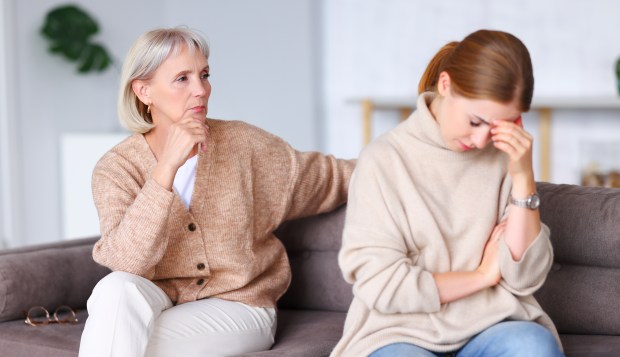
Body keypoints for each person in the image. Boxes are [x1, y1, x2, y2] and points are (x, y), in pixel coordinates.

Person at [78, 27, 354, 357]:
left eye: (204, 75)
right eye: (182, 78)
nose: (201, 90)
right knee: (115, 290)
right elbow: (126, 263)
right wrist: (165, 170)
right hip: (158, 301)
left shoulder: (245, 146)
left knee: (122, 341)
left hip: (239, 306)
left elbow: (333, 177)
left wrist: (416, 161)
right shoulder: (116, 168)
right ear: (143, 91)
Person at [330, 29, 564, 357]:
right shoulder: (383, 160)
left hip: (492, 325)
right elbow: (382, 285)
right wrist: (482, 276)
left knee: (533, 346)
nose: (482, 141)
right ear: (445, 85)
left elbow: (524, 278)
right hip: (399, 333)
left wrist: (523, 175)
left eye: (500, 125)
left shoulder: (504, 160)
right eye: (475, 121)